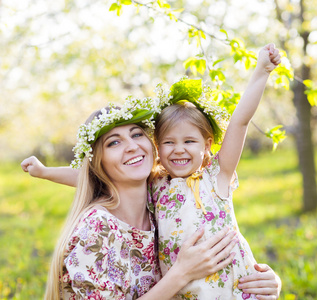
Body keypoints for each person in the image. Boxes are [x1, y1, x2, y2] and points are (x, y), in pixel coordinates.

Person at [23, 100, 242, 299]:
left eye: (137, 134)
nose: (132, 146)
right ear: (98, 163)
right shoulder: (97, 230)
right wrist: (181, 274)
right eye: (113, 143)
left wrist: (253, 278)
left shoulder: (161, 203)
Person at [148, 43, 281, 299]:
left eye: (189, 141)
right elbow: (104, 176)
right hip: (185, 291)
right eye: (168, 142)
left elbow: (240, 121)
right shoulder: (155, 185)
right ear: (157, 146)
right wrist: (46, 173)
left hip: (232, 288)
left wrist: (261, 71)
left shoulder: (216, 176)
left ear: (207, 145)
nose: (178, 150)